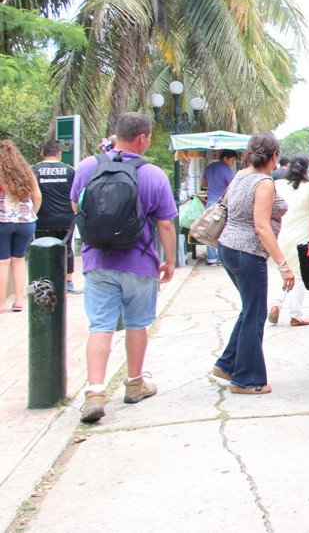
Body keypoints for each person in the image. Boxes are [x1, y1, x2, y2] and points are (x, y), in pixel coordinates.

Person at [69, 113, 177, 423]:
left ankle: (95, 391)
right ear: (142, 138)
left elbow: (76, 206)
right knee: (136, 323)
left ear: (117, 135)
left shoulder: (88, 166)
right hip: (139, 262)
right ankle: (134, 383)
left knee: (100, 325)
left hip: (97, 260)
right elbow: (166, 225)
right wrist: (168, 261)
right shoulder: (154, 174)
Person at [211, 133, 294, 395]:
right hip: (247, 252)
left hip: (228, 247)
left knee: (250, 310)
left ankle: (227, 364)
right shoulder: (263, 182)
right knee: (255, 314)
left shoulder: (240, 175)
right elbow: (261, 226)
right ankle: (247, 379)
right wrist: (283, 264)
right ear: (274, 156)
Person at [269, 153, 309, 327]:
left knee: (282, 270)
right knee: (299, 275)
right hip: (303, 237)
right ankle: (296, 315)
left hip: (281, 235)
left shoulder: (278, 185)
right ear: (307, 168)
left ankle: (275, 304)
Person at [32, 140, 82, 294]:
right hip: (65, 218)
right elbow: (77, 193)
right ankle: (68, 282)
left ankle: (42, 283)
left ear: (42, 152)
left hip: (42, 219)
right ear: (59, 153)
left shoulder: (34, 170)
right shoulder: (70, 170)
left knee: (42, 250)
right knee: (66, 249)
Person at [0, 141, 42, 314]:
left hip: (3, 221)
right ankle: (18, 301)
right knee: (19, 260)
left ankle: (1, 304)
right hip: (25, 222)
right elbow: (37, 196)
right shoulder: (26, 173)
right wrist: (32, 213)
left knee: (2, 263)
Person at [201, 149, 237, 265]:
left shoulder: (209, 167)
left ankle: (211, 258)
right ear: (225, 158)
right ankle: (222, 258)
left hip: (210, 202)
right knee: (223, 230)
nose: (232, 163)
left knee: (209, 230)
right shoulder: (227, 169)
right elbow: (232, 186)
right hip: (223, 203)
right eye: (232, 160)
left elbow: (204, 184)